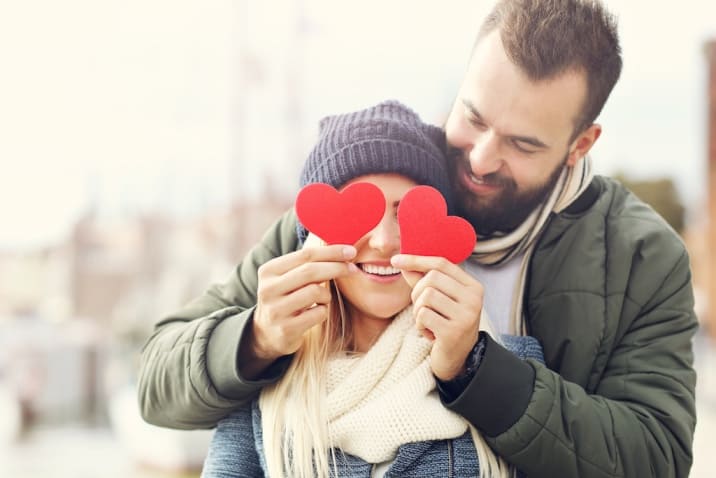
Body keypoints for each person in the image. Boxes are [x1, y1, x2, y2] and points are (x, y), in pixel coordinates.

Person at [138, 1, 698, 476]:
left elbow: (658, 455)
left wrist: (478, 371)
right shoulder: (362, 184)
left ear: (580, 143)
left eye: (523, 145)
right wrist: (255, 341)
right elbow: (160, 381)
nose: (479, 160)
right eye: (473, 117)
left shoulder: (642, 256)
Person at [200, 100, 545, 478]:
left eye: (404, 213)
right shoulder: (259, 388)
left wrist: (470, 368)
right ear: (315, 238)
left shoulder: (511, 366)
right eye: (358, 214)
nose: (383, 241)